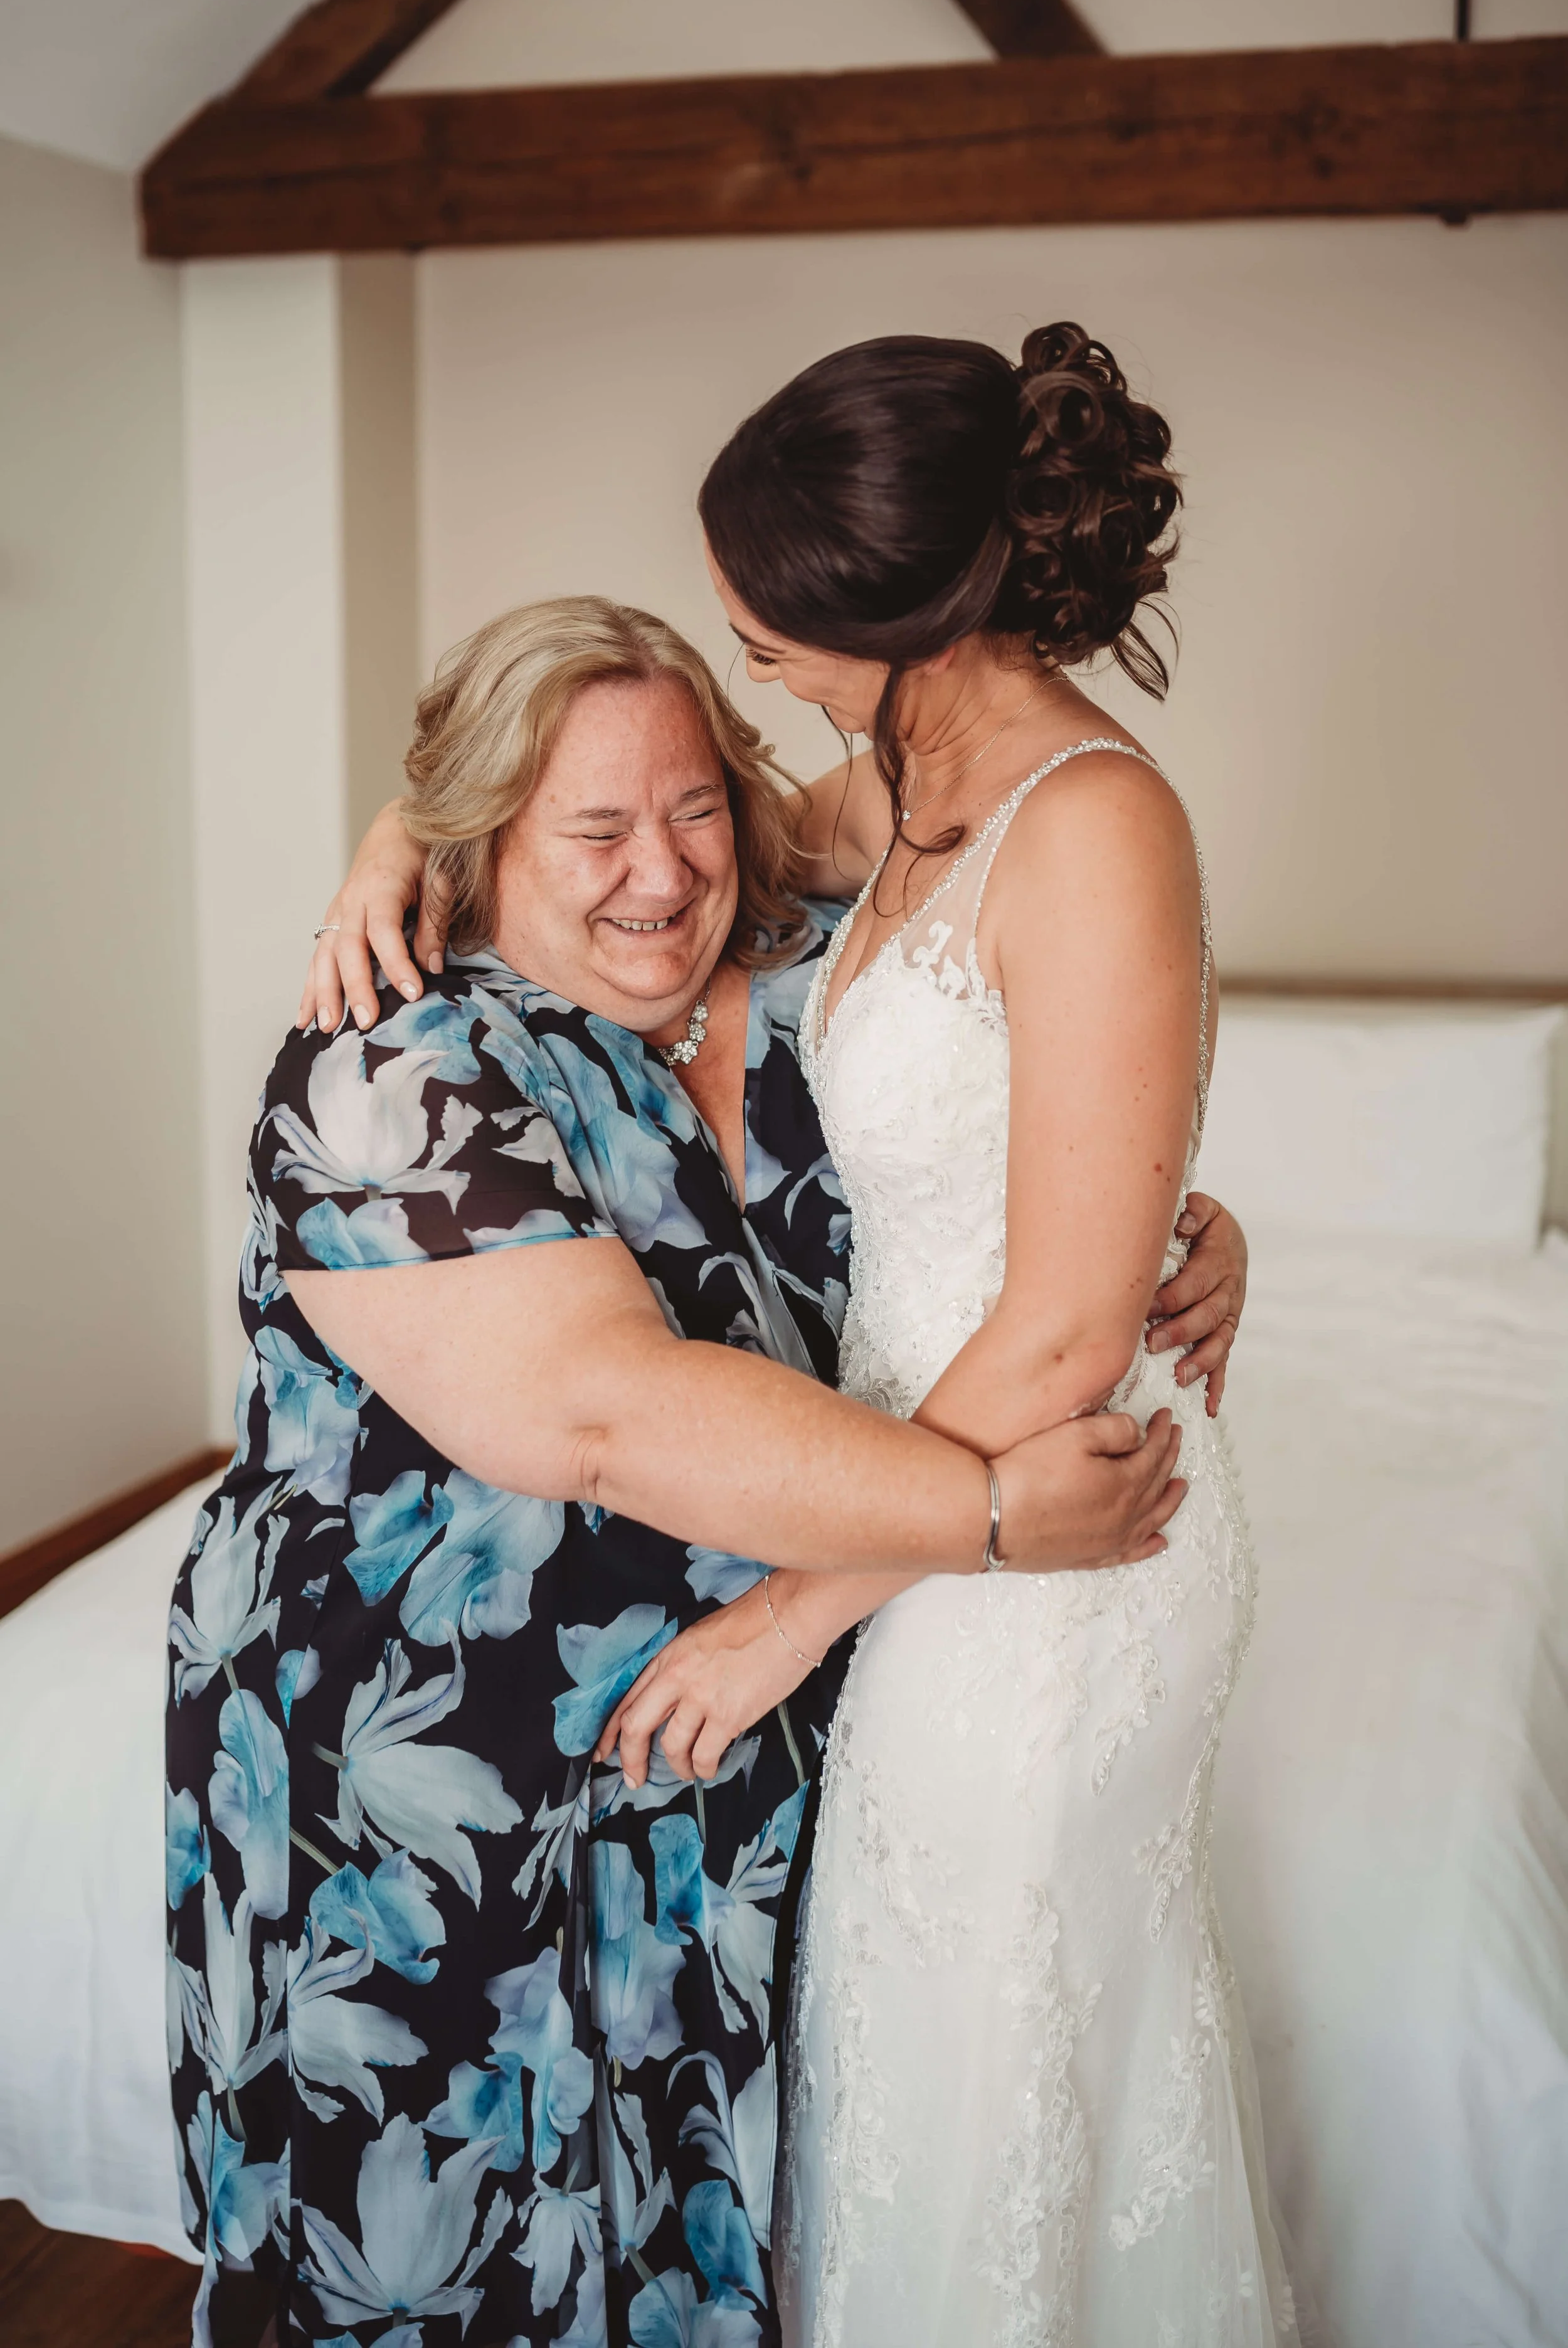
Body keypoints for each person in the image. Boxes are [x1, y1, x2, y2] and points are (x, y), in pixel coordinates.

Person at [304, 324, 1294, 2345]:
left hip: (1032, 1543)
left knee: (992, 2082)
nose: (747, 648)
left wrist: (792, 1613)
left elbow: (1063, 1315)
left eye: (771, 626)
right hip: (933, 1499)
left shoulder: (1089, 820)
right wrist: (397, 835)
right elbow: (640, 818)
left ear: (908, 613)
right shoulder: (900, 783)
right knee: (915, 2085)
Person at [170, 596, 1199, 2348]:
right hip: (439, 1799)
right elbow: (600, 1413)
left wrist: (1179, 1227)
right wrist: (996, 1514)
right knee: (452, 2258)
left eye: (698, 807)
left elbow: (987, 1175)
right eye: (590, 829)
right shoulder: (387, 1066)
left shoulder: (801, 982)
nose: (661, 868)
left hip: (727, 1758)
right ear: (481, 838)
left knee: (691, 2244)